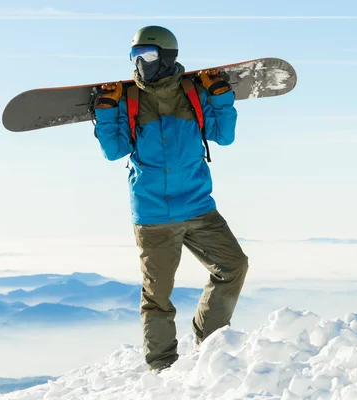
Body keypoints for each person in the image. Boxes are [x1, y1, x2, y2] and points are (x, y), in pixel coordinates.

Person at [92, 25, 249, 371]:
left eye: (146, 56)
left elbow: (224, 136)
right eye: (135, 57)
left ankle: (211, 341)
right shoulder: (130, 98)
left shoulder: (193, 94)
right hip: (153, 215)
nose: (140, 64)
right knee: (157, 297)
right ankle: (162, 366)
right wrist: (105, 111)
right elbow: (114, 150)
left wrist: (220, 96)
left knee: (233, 266)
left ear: (166, 57)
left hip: (198, 205)